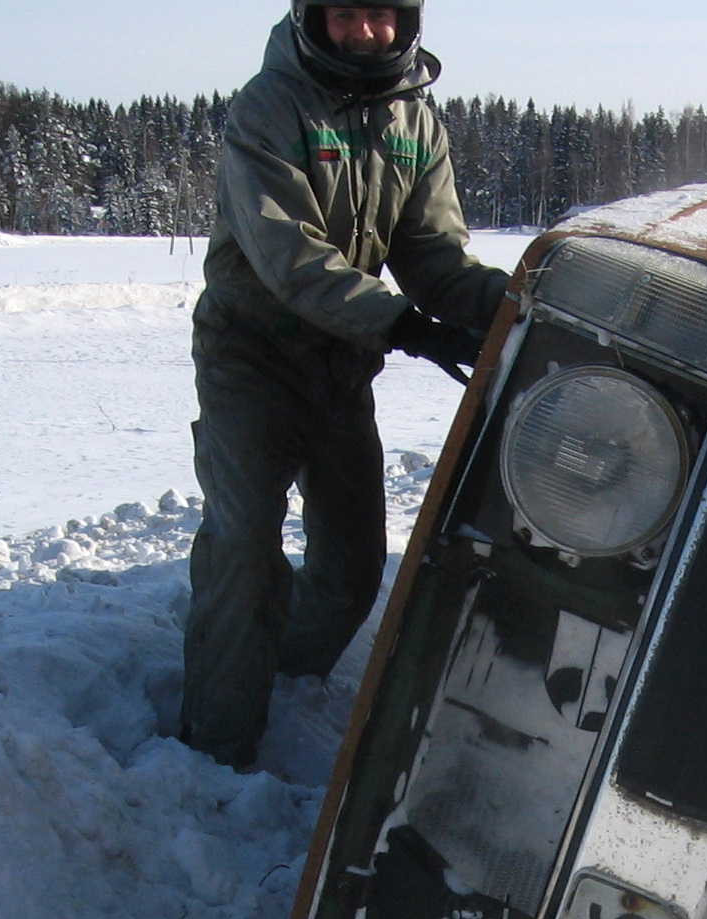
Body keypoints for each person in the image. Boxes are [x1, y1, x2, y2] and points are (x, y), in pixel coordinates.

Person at [181, 0, 509, 770]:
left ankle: (283, 678)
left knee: (354, 566)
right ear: (311, 18)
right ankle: (212, 750)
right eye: (344, 15)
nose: (366, 33)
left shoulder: (416, 123)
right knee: (245, 542)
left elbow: (434, 256)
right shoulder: (270, 106)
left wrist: (512, 305)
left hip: (342, 358)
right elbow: (288, 256)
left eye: (382, 16)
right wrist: (404, 325)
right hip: (250, 356)